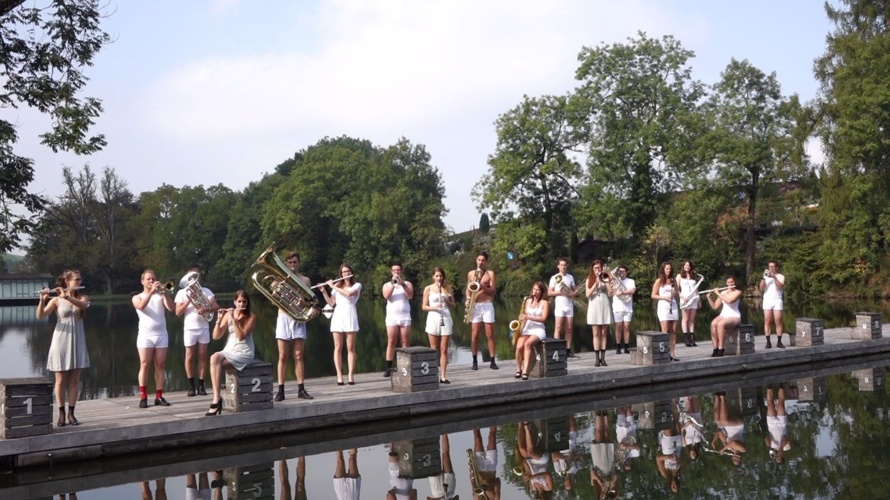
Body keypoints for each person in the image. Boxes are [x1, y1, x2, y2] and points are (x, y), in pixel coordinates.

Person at [37, 269, 91, 427]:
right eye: (76, 280)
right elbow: (40, 316)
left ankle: (71, 413)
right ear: (67, 281)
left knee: (74, 380)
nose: (79, 282)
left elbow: (85, 305)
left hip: (77, 341)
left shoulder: (82, 297)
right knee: (60, 381)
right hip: (61, 341)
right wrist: (42, 300)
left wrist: (67, 296)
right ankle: (61, 413)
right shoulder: (56, 300)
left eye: (80, 280)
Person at [205, 290, 256, 416]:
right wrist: (219, 319)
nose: (241, 304)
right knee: (214, 358)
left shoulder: (251, 317)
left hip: (244, 352)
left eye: (244, 302)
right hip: (229, 349)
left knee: (216, 364)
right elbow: (216, 336)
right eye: (239, 301)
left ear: (247, 303)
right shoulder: (229, 314)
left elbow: (241, 336)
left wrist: (233, 318)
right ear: (234, 302)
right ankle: (217, 397)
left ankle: (217, 401)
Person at [275, 252, 317, 402]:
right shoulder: (280, 279)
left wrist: (304, 305)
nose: (293, 265)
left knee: (299, 356)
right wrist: (278, 288)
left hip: (298, 318)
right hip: (284, 317)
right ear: (286, 263)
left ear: (299, 263)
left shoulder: (305, 280)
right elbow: (274, 298)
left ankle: (301, 388)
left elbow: (309, 301)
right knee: (283, 356)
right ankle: (280, 390)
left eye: (295, 262)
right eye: (290, 262)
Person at [174, 265, 219, 398]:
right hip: (189, 328)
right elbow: (177, 312)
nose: (193, 279)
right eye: (191, 277)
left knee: (203, 355)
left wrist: (206, 309)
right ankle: (191, 385)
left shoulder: (206, 291)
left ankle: (201, 384)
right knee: (189, 356)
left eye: (195, 276)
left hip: (203, 327)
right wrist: (189, 300)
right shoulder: (182, 293)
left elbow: (216, 306)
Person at [132, 269, 175, 408]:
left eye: (153, 279)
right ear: (142, 281)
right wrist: (151, 292)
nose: (151, 281)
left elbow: (171, 308)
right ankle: (143, 396)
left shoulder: (160, 295)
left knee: (160, 365)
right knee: (145, 364)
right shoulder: (137, 297)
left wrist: (165, 294)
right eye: (149, 279)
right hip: (146, 335)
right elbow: (141, 306)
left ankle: (159, 396)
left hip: (161, 334)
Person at [320, 264, 361, 385]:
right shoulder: (337, 286)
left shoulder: (357, 285)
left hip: (350, 314)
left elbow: (349, 294)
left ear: (351, 272)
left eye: (348, 271)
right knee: (337, 347)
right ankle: (339, 375)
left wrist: (333, 286)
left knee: (350, 348)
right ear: (341, 274)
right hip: (338, 315)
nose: (346, 274)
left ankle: (350, 375)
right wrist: (324, 292)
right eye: (343, 272)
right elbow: (332, 303)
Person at [423, 267, 456, 384]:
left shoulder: (448, 288)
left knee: (444, 349)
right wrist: (433, 307)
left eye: (441, 276)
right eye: (437, 276)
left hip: (446, 318)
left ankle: (443, 376)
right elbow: (424, 306)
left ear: (443, 277)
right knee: (434, 349)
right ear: (433, 277)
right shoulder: (428, 288)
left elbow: (454, 305)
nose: (439, 278)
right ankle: (433, 375)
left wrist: (447, 301)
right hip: (433, 318)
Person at [467, 251, 498, 370]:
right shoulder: (470, 273)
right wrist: (468, 298)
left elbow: (493, 291)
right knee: (474, 334)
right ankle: (474, 361)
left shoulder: (490, 273)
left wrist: (482, 286)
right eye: (479, 260)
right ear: (476, 260)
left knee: (490, 333)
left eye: (483, 260)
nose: (481, 262)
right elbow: (468, 289)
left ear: (486, 261)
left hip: (487, 305)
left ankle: (492, 361)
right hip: (475, 305)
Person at [382, 262, 414, 378]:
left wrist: (403, 285)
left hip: (405, 316)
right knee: (391, 342)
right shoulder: (387, 285)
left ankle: (405, 366)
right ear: (391, 272)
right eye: (394, 270)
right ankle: (388, 368)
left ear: (402, 271)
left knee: (405, 342)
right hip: (392, 317)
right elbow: (386, 296)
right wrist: (393, 284)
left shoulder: (407, 284)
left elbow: (410, 296)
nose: (396, 272)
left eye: (398, 270)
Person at [515, 281, 550, 380]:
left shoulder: (545, 303)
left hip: (538, 329)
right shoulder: (527, 301)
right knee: (519, 346)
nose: (535, 291)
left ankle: (526, 371)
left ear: (542, 292)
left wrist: (529, 317)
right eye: (534, 289)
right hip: (528, 328)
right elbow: (525, 317)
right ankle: (518, 369)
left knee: (528, 344)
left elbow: (543, 318)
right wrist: (520, 328)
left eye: (538, 290)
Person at [548, 258, 580, 358]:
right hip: (560, 306)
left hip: (569, 306)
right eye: (561, 265)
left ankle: (568, 350)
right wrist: (560, 292)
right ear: (558, 266)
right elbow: (549, 292)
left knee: (569, 329)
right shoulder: (554, 278)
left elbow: (576, 291)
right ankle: (556, 350)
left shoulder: (570, 277)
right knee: (558, 328)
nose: (564, 267)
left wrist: (574, 293)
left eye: (565, 265)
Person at [706, 276, 742, 357]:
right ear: (726, 283)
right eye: (728, 282)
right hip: (724, 314)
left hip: (734, 316)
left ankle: (721, 348)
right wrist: (709, 298)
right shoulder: (723, 292)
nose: (730, 284)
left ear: (734, 282)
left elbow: (730, 301)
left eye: (732, 282)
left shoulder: (738, 292)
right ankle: (715, 348)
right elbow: (715, 306)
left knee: (720, 324)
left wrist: (718, 293)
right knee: (713, 324)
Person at [586, 260, 613, 367]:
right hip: (594, 305)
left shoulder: (605, 277)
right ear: (592, 269)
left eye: (599, 268)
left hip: (604, 304)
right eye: (595, 268)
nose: (597, 270)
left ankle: (603, 358)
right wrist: (595, 284)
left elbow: (611, 294)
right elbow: (587, 295)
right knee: (596, 333)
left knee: (603, 333)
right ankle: (597, 359)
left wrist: (607, 282)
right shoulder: (590, 279)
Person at [517, 421, 555, 496]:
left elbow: (529, 471)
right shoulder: (548, 488)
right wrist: (532, 477)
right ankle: (526, 426)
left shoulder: (532, 487)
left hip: (531, 462)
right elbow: (547, 475)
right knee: (530, 453)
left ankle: (520, 424)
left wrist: (525, 464)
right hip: (542, 461)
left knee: (521, 448)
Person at [651, 262, 679, 361]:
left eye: (670, 269)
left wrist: (675, 293)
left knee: (674, 330)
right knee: (665, 329)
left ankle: (672, 353)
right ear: (663, 269)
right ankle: (664, 352)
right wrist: (663, 297)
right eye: (667, 269)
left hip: (673, 305)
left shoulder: (673, 280)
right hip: (663, 305)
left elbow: (677, 292)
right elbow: (653, 295)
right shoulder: (659, 281)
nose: (669, 270)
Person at [712, 391, 747, 466]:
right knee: (724, 421)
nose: (736, 458)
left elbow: (719, 433)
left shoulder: (728, 448)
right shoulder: (743, 449)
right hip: (738, 425)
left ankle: (717, 396)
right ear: (741, 458)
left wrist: (714, 442)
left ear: (732, 458)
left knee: (717, 420)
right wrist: (723, 449)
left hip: (728, 426)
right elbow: (734, 443)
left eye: (735, 460)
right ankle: (722, 396)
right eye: (738, 460)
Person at [589, 410, 618, 499]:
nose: (604, 497)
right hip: (609, 464)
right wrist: (611, 484)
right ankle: (605, 412)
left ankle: (598, 412)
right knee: (606, 434)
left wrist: (600, 483)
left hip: (598, 463)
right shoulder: (610, 489)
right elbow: (615, 475)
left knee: (598, 434)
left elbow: (592, 472)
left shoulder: (595, 485)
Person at [656, 400, 682, 494]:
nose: (675, 485)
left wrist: (668, 457)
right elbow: (681, 460)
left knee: (667, 425)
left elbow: (658, 459)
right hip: (678, 447)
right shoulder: (678, 472)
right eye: (676, 487)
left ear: (670, 486)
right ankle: (673, 400)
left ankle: (662, 404)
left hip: (668, 450)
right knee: (676, 421)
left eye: (673, 487)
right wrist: (678, 461)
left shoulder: (665, 474)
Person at [760, 261, 786, 349]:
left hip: (777, 300)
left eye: (773, 267)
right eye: (770, 266)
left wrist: (774, 277)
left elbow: (780, 286)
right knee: (767, 320)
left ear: (776, 267)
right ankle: (768, 342)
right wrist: (764, 278)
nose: (771, 268)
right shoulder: (766, 277)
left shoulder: (780, 276)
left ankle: (779, 341)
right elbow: (761, 288)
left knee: (778, 320)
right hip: (767, 300)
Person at [610, 265, 635, 354]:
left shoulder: (630, 281)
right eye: (620, 271)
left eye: (623, 271)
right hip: (617, 306)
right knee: (618, 327)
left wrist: (622, 292)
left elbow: (632, 291)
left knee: (627, 327)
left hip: (627, 307)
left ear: (626, 272)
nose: (621, 273)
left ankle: (626, 347)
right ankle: (618, 346)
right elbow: (611, 292)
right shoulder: (614, 281)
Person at [471, 427, 502, 500]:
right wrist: (487, 487)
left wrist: (472, 473)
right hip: (491, 467)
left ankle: (474, 419)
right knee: (492, 437)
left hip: (479, 469)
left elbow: (473, 484)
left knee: (477, 437)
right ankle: (492, 417)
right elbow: (498, 481)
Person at [765, 384, 792, 464]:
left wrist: (769, 447)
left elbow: (766, 438)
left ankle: (769, 388)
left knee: (770, 405)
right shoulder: (786, 448)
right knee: (780, 404)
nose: (778, 457)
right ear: (782, 457)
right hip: (781, 424)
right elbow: (785, 438)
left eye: (777, 459)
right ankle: (781, 387)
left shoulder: (772, 450)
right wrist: (780, 449)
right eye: (779, 458)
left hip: (772, 426)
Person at [676, 261, 701, 348]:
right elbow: (676, 288)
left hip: (694, 298)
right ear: (683, 266)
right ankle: (686, 338)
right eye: (686, 265)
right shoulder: (679, 276)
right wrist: (681, 296)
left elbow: (696, 288)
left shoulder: (693, 276)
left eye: (689, 265)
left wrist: (699, 299)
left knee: (692, 319)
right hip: (685, 298)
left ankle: (692, 338)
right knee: (685, 318)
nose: (687, 267)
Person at [429, 434, 457, 500]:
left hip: (436, 492)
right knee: (446, 455)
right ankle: (444, 431)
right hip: (449, 491)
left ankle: (430, 432)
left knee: (433, 457)